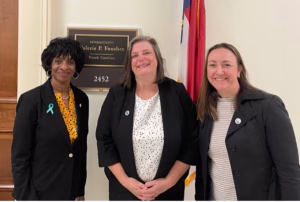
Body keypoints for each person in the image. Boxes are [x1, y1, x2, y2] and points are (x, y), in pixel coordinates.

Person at [96, 35, 198, 200]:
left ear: (157, 57)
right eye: (134, 56)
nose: (140, 59)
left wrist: (168, 182)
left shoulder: (177, 92)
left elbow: (191, 140)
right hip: (125, 192)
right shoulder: (117, 95)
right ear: (129, 64)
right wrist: (127, 182)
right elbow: (104, 140)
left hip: (168, 193)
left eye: (146, 53)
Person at [195, 43, 300, 200]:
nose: (219, 71)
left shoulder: (268, 106)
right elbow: (203, 169)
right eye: (212, 65)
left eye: (226, 64)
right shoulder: (205, 109)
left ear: (239, 70)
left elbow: (290, 173)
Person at [11, 37, 89, 200]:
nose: (64, 67)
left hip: (70, 191)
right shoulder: (31, 100)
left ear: (76, 67)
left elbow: (81, 149)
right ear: (49, 64)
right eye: (58, 61)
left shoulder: (82, 99)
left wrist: (79, 190)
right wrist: (25, 196)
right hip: (39, 192)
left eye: (70, 62)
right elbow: (20, 155)